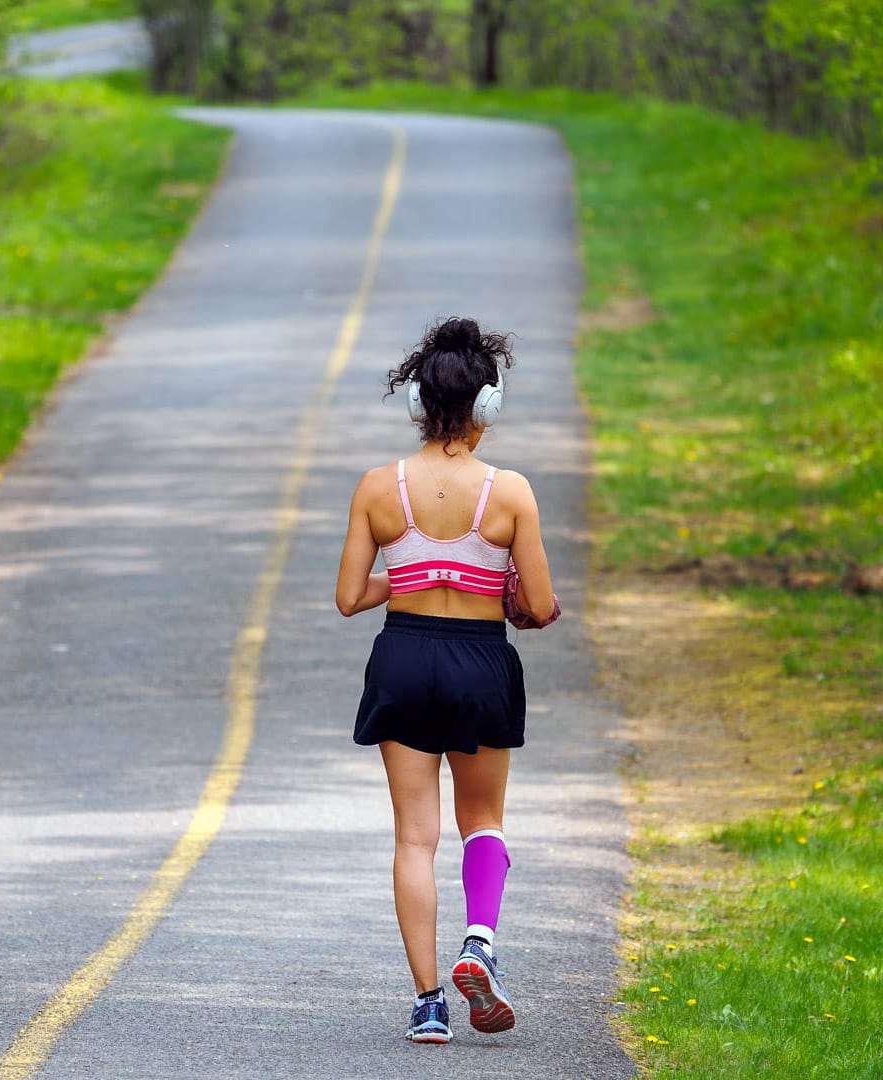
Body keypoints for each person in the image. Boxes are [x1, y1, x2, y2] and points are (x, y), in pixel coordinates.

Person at [334, 316, 559, 1044]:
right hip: (479, 662)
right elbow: (536, 605)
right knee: (482, 821)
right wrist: (499, 588)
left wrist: (415, 572)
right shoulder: (511, 492)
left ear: (417, 404)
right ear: (487, 405)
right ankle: (479, 944)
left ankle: (429, 1003)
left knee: (413, 838)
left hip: (403, 657)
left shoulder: (377, 486)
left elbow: (348, 598)